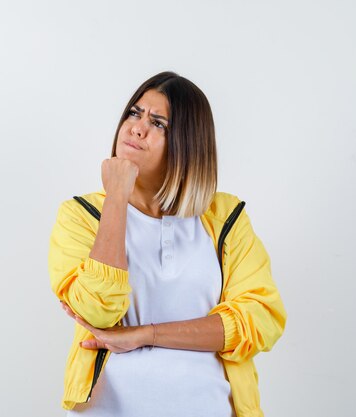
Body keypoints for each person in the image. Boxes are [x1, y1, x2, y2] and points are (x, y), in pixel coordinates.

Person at [48, 71, 287, 417]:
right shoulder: (82, 215)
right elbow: (97, 310)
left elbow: (259, 320)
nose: (137, 128)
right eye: (134, 113)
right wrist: (117, 197)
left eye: (158, 123)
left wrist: (146, 334)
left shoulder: (224, 219)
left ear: (188, 143)